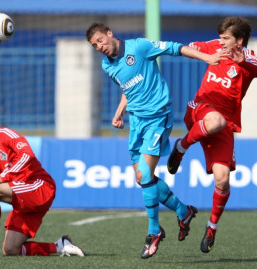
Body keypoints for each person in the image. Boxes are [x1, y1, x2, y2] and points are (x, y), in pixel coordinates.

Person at [86, 23, 226, 259]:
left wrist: (206, 57)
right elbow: (127, 88)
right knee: (142, 179)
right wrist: (120, 111)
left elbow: (176, 48)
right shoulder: (106, 65)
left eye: (100, 40)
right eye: (94, 45)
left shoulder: (139, 46)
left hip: (158, 117)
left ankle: (154, 231)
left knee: (144, 175)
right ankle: (183, 211)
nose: (99, 46)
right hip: (137, 121)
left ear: (110, 33)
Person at [166, 17, 257, 253]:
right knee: (215, 120)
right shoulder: (215, 46)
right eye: (220, 37)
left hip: (224, 125)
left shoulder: (248, 57)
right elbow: (189, 48)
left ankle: (211, 228)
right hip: (201, 108)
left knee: (222, 179)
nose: (221, 41)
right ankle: (181, 147)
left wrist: (243, 63)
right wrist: (204, 55)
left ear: (239, 41)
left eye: (226, 38)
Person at [0, 104, 85, 257]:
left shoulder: (5, 135)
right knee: (11, 249)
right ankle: (60, 245)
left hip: (39, 186)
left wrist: (2, 177)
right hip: (22, 199)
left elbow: (27, 155)